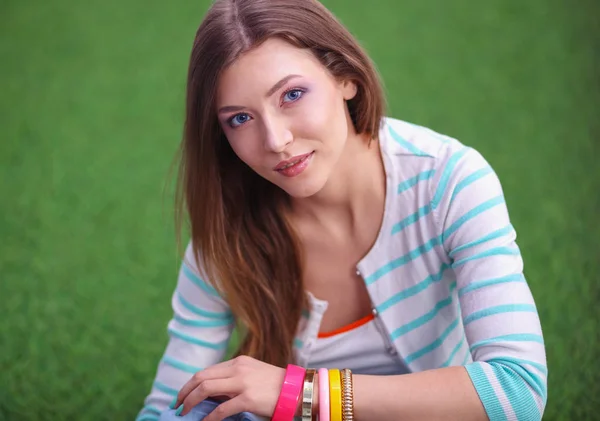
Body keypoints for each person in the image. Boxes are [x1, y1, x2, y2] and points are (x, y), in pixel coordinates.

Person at [136, 0, 548, 420]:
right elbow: (167, 407)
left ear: (345, 78)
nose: (276, 140)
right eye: (240, 118)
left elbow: (517, 391)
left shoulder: (449, 182)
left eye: (291, 95)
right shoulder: (228, 234)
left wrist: (295, 392)